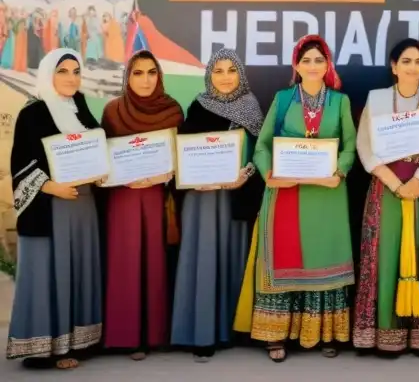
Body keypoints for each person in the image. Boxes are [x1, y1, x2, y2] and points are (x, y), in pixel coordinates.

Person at [235, 35, 356, 362]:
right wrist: (269, 174)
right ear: (296, 65)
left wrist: (340, 173)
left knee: (324, 257)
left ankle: (325, 332)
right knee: (285, 258)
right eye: (307, 61)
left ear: (327, 64)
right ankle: (276, 335)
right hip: (286, 192)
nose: (313, 66)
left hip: (326, 194)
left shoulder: (339, 102)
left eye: (319, 60)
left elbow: (349, 147)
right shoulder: (284, 98)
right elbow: (262, 145)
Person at [6, 49, 104, 368]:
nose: (71, 78)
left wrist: (102, 173)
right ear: (49, 74)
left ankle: (77, 343)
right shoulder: (33, 113)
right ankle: (45, 349)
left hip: (83, 208)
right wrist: (52, 187)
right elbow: (21, 163)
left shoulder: (81, 109)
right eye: (63, 71)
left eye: (76, 71)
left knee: (78, 271)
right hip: (50, 208)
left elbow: (97, 153)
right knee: (50, 272)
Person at [354, 38, 419, 354]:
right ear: (393, 67)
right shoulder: (378, 98)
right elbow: (364, 145)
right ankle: (385, 334)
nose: (413, 67)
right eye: (406, 61)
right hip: (387, 187)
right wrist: (395, 184)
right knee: (384, 255)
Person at [171, 48, 264, 361]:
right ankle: (202, 332)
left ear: (240, 74)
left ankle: (235, 329)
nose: (225, 77)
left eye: (231, 70)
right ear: (209, 75)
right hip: (203, 199)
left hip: (237, 195)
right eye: (218, 71)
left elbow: (260, 153)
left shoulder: (252, 107)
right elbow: (183, 152)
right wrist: (192, 176)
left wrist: (247, 173)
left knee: (234, 256)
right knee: (205, 258)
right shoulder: (198, 106)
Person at [101, 50, 182, 359]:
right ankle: (125, 335)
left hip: (156, 198)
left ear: (159, 75)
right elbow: (101, 156)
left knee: (154, 261)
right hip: (121, 198)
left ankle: (154, 335)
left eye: (151, 72)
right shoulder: (112, 111)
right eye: (138, 73)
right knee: (125, 261)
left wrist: (165, 174)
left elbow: (180, 157)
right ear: (127, 77)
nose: (146, 79)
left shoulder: (172, 110)